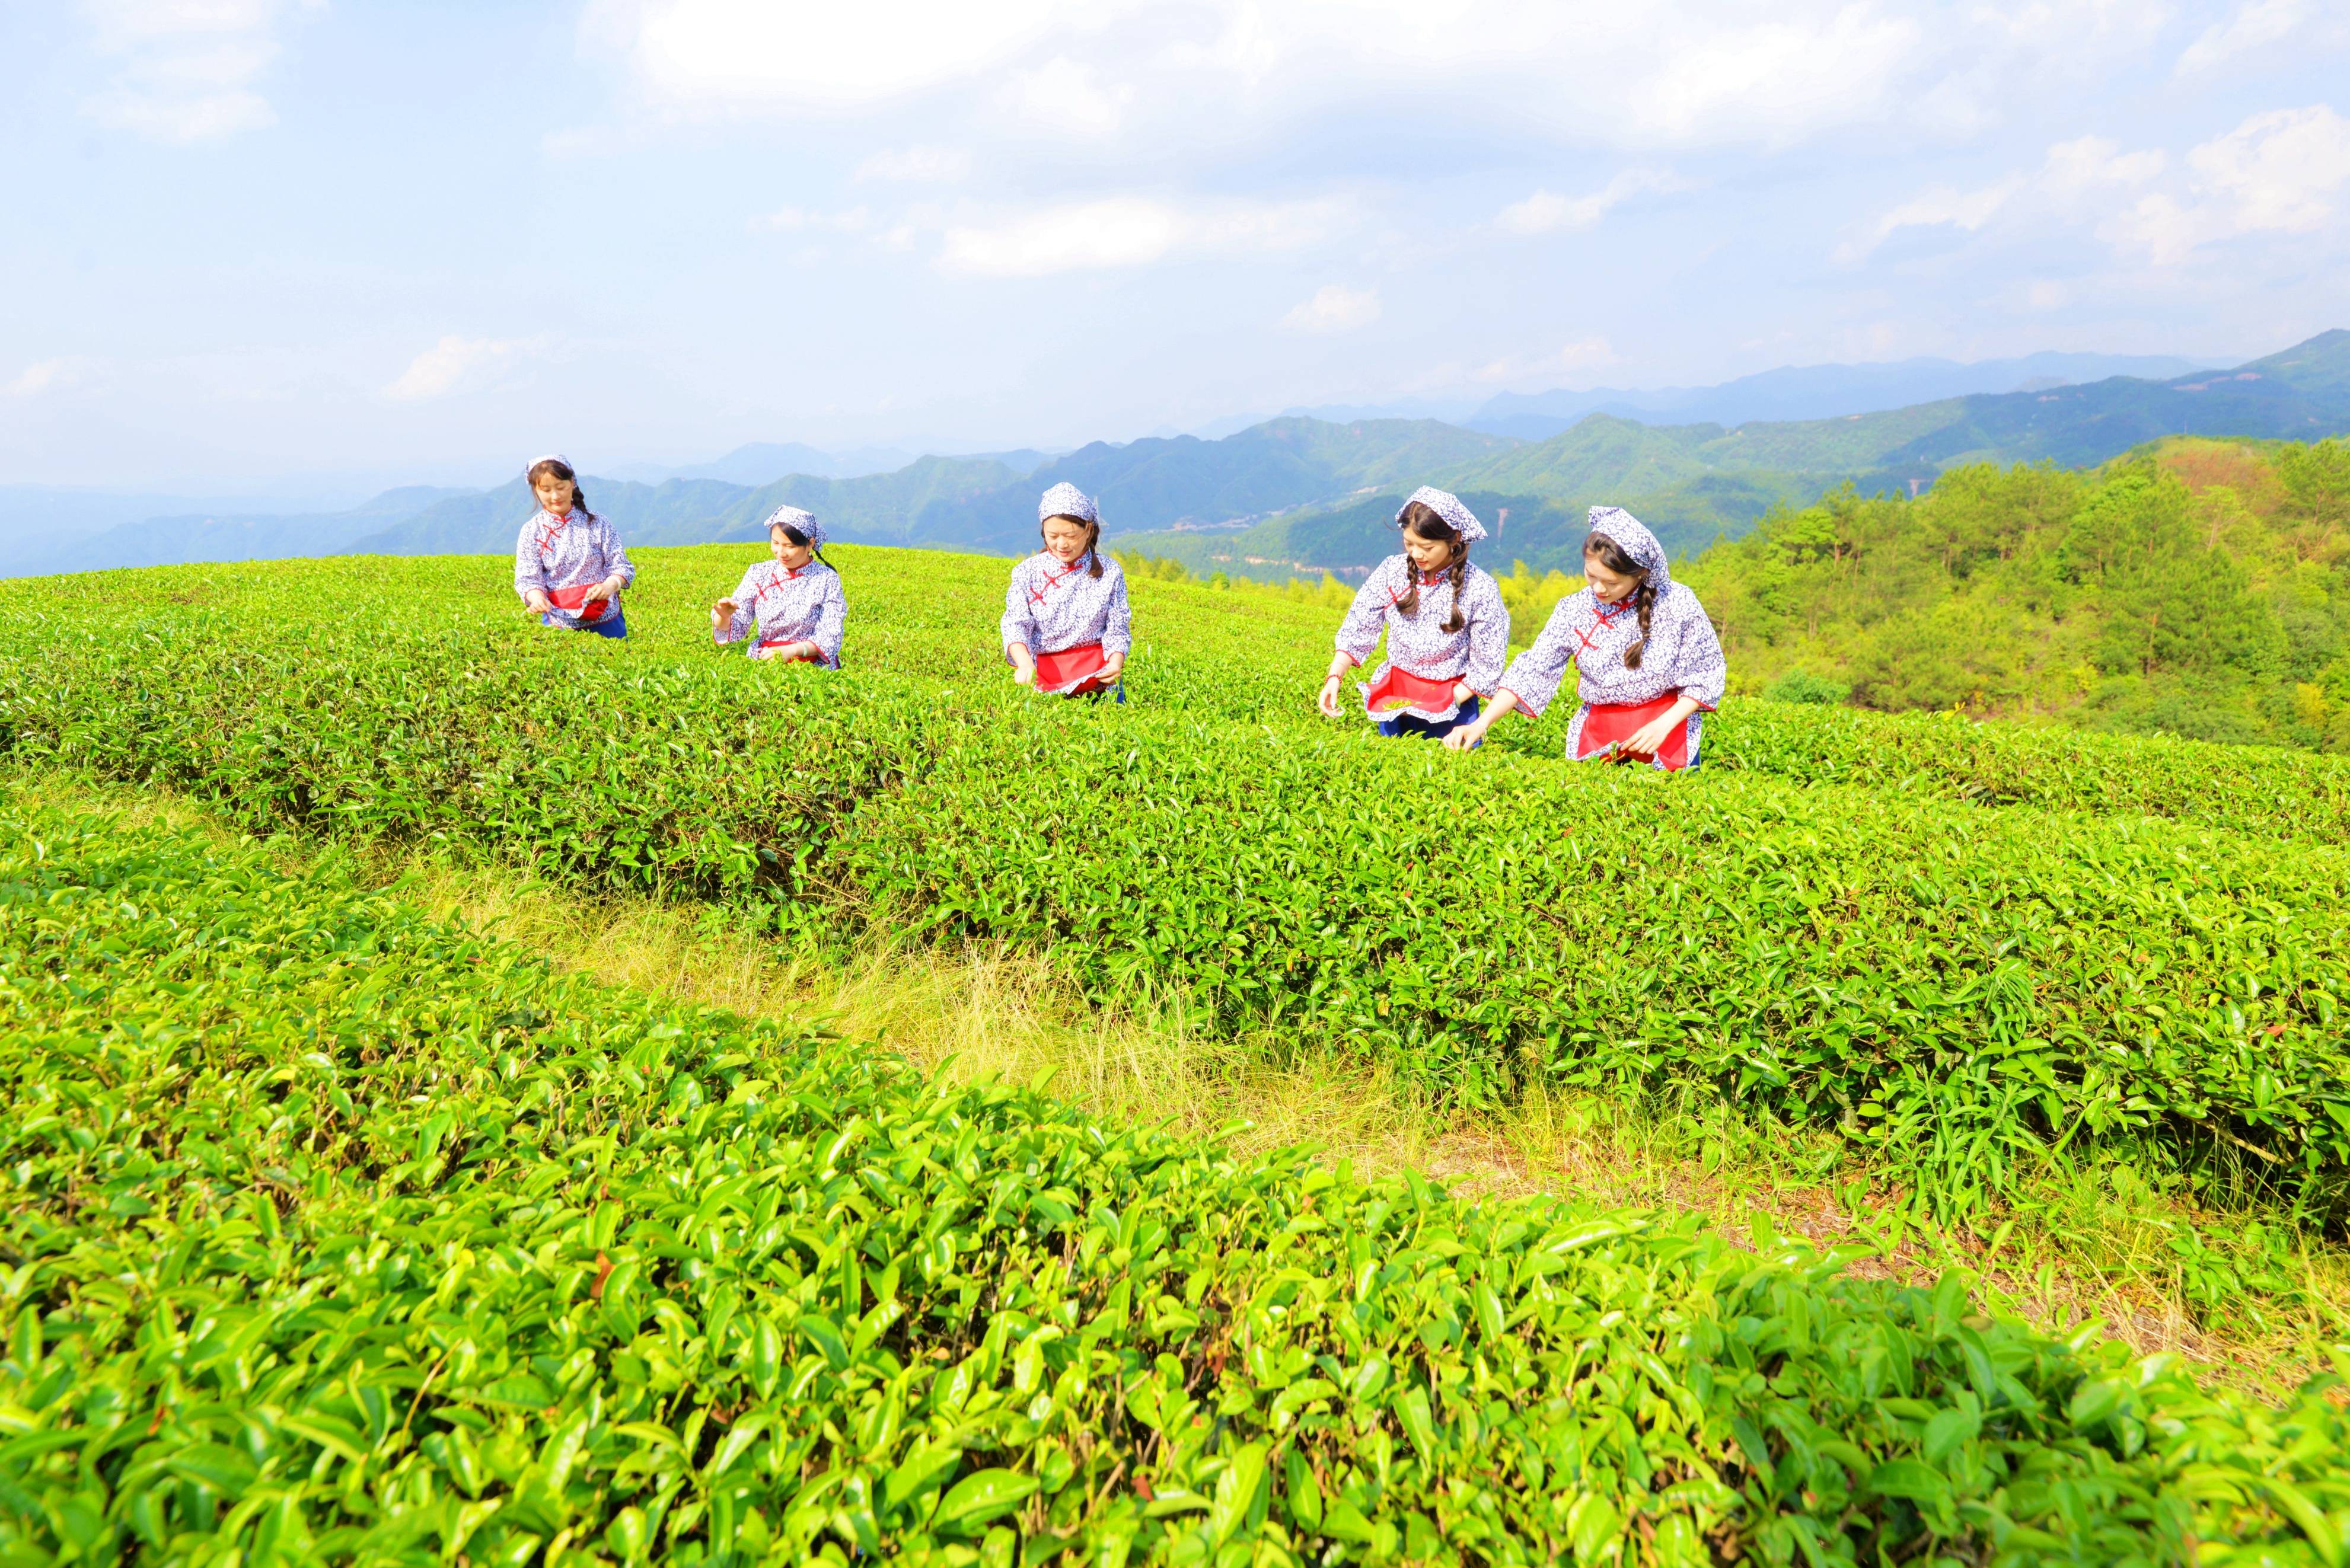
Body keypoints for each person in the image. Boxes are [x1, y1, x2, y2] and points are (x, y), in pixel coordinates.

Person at [1444, 505, 1726, 768]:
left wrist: (1664, 725)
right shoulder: (1574, 609)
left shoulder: (1677, 604)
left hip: (1667, 732)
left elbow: (1706, 673)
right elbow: (1533, 669)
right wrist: (1480, 724)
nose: (1599, 589)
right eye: (1591, 576)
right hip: (1599, 734)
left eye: (1612, 582)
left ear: (1640, 575)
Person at [1319, 486, 1508, 742]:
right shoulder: (1392, 572)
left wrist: (1444, 701)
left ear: (1454, 539)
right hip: (1396, 695)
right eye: (1409, 543)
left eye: (1427, 547)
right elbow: (1359, 625)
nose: (1417, 554)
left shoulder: (1481, 588)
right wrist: (1335, 676)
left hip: (1453, 701)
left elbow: (1488, 663)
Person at [1002, 482, 1132, 700]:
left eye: (1070, 536)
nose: (1061, 544)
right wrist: (1024, 663)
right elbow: (1015, 624)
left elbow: (1117, 627)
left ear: (1088, 530)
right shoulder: (1027, 572)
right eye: (1053, 536)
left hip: (1099, 681)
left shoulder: (1110, 572)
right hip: (1043, 680)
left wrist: (1116, 662)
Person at [513, 454, 634, 638]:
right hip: (558, 621)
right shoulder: (532, 531)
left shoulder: (598, 523)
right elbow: (528, 579)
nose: (555, 496)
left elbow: (621, 566)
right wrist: (537, 599)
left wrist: (610, 585)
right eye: (546, 490)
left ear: (572, 483)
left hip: (606, 616)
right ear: (536, 491)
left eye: (561, 487)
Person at [710, 505, 846, 666]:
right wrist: (723, 617)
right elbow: (738, 627)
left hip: (813, 666)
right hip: (766, 661)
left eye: (789, 546)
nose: (781, 553)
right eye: (775, 543)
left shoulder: (827, 579)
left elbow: (831, 635)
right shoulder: (759, 573)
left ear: (810, 544)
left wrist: (793, 650)